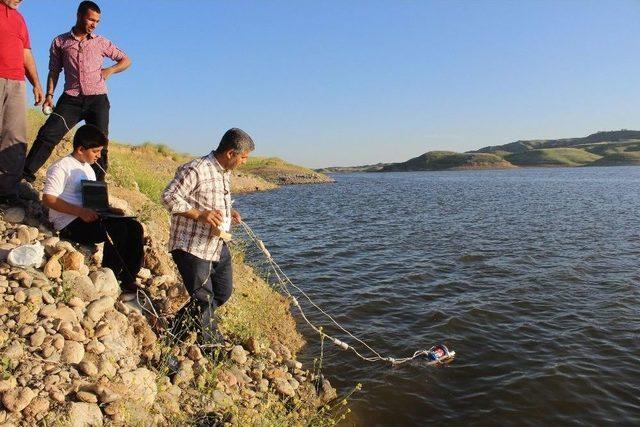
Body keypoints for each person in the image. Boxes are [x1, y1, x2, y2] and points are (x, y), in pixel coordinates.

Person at [162, 128, 254, 344]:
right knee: (204, 298)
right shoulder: (196, 169)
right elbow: (168, 197)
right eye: (243, 157)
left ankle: (174, 329)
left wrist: (228, 211)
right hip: (191, 246)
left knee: (222, 292)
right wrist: (199, 215)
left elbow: (208, 199)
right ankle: (212, 344)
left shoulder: (224, 172)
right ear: (230, 153)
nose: (245, 162)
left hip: (216, 244)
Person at [23, 0, 131, 183]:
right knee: (48, 134)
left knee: (99, 145)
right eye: (91, 20)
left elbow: (126, 60)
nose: (94, 25)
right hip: (71, 99)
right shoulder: (60, 42)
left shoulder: (102, 42)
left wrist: (109, 70)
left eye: (97, 21)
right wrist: (50, 95)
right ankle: (24, 177)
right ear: (79, 16)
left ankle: (96, 188)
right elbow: (54, 70)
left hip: (97, 100)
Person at [42, 124, 143, 292]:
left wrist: (108, 210)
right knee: (117, 229)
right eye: (95, 151)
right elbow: (48, 198)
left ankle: (129, 278)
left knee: (135, 227)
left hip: (88, 217)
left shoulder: (88, 169)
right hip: (69, 223)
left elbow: (91, 200)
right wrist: (80, 212)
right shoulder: (61, 167)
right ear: (81, 149)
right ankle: (108, 275)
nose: (98, 155)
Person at [0, 0, 44, 204]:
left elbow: (25, 52)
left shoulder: (19, 19)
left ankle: (8, 193)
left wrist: (36, 83)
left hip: (16, 82)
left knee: (15, 137)